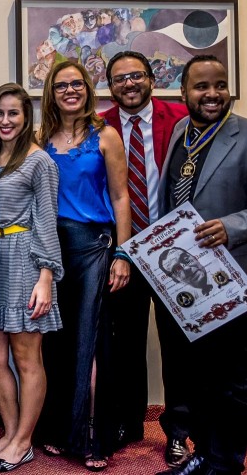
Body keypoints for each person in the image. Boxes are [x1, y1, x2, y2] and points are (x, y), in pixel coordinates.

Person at [155, 55, 247, 475]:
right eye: (201, 87)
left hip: (231, 282)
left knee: (228, 380)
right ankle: (204, 453)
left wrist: (232, 226)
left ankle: (226, 464)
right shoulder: (181, 131)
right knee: (193, 377)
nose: (211, 94)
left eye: (219, 85)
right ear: (184, 93)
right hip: (183, 285)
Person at [35, 60, 132, 472]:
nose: (70, 91)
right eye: (61, 86)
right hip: (52, 250)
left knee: (90, 344)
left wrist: (124, 254)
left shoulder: (106, 136)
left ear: (88, 89)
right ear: (51, 94)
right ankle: (59, 429)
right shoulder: (39, 138)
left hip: (94, 247)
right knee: (56, 343)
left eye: (77, 84)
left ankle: (93, 437)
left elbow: (121, 196)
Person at [100, 51, 192, 467]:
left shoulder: (181, 118)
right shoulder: (98, 124)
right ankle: (126, 424)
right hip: (124, 251)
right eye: (119, 79)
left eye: (136, 76)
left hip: (174, 248)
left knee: (178, 345)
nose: (128, 84)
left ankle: (179, 432)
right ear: (110, 86)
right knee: (125, 344)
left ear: (152, 78)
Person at [0, 83, 63, 473]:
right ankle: (9, 433)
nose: (5, 120)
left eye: (14, 113)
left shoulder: (40, 162)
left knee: (27, 358)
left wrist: (46, 277)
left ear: (27, 118)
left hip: (25, 260)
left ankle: (24, 443)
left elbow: (47, 221)